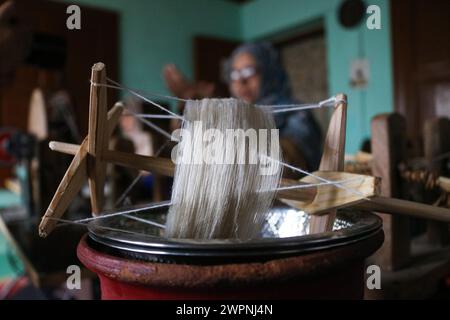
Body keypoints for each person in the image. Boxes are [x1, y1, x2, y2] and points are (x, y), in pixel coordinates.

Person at [164, 42, 323, 172]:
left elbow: (287, 164)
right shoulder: (237, 116)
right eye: (234, 74)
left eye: (249, 71)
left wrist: (214, 115)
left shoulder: (297, 115)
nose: (241, 82)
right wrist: (192, 102)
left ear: (269, 73)